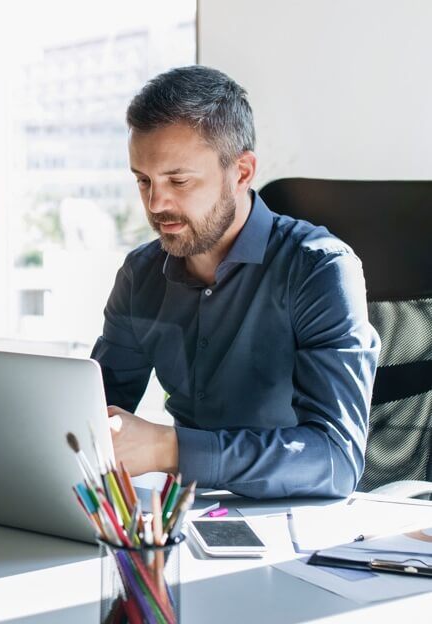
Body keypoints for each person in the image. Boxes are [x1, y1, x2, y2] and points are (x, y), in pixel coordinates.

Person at [92, 66, 379, 499]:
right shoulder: (140, 274)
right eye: (143, 180)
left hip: (298, 525)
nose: (156, 202)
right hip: (188, 516)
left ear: (242, 172)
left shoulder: (319, 269)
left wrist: (169, 447)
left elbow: (336, 460)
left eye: (178, 180)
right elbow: (92, 414)